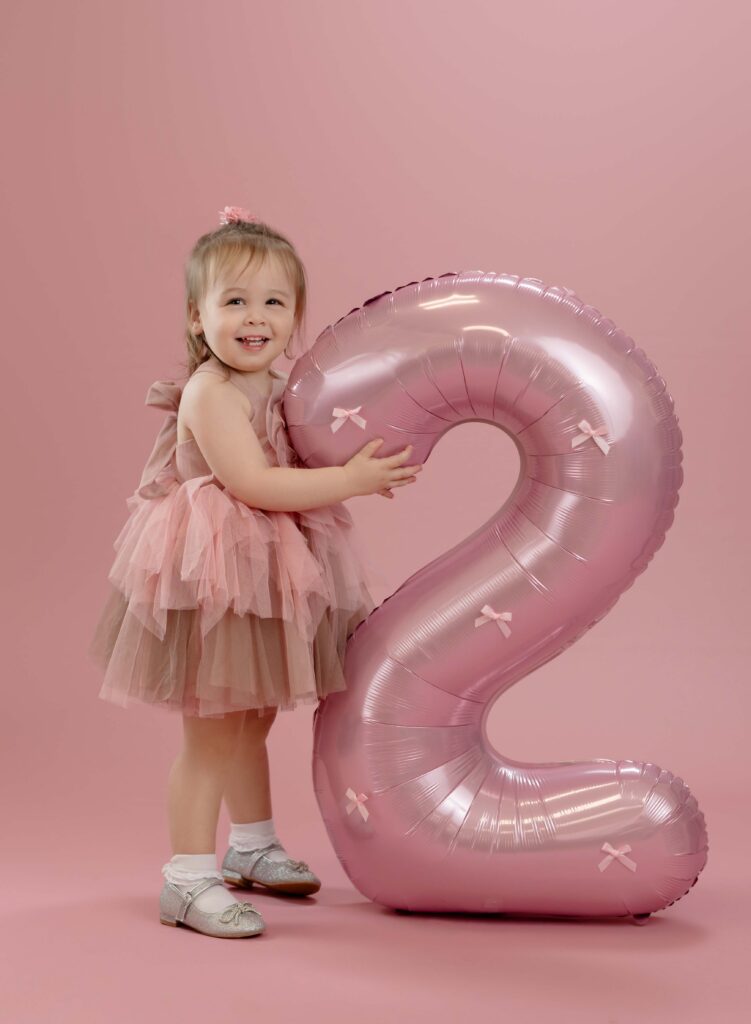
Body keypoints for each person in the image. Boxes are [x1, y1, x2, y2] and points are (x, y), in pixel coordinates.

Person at [88, 206, 423, 939]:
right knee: (213, 729)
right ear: (197, 316)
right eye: (234, 300)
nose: (255, 317)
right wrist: (351, 481)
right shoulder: (211, 392)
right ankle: (186, 878)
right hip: (214, 573)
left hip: (267, 571)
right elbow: (254, 483)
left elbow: (307, 447)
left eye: (274, 302)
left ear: (295, 315)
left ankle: (252, 844)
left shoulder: (280, 385)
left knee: (253, 716)